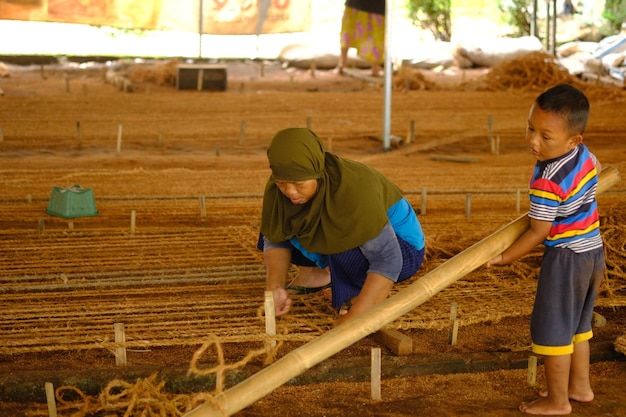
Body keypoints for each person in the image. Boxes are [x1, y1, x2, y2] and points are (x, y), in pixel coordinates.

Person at [486, 84, 604, 415]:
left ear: (572, 139)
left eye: (545, 136)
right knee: (578, 327)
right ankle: (579, 388)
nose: (533, 141)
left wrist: (504, 257)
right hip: (593, 252)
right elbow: (594, 171)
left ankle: (557, 401)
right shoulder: (584, 155)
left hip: (566, 258)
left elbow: (539, 231)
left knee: (553, 329)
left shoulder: (547, 181)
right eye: (530, 129)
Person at [258, 128, 425, 327]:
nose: (290, 191)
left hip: (403, 251)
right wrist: (275, 286)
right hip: (361, 236)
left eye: (298, 183)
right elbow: (274, 237)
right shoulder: (281, 186)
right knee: (274, 220)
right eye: (281, 183)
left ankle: (356, 293)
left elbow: (388, 259)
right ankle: (313, 275)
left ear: (317, 172)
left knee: (341, 232)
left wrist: (361, 313)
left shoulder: (354, 192)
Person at [338, 0, 386, 77]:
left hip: (377, 6)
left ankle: (375, 67)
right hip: (356, 3)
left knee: (377, 35)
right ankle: (342, 63)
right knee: (348, 30)